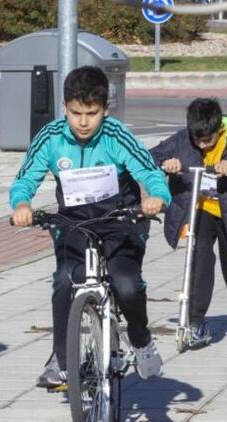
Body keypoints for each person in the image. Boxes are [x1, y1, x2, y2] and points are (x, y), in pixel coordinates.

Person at [10, 66, 171, 389]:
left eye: (92, 114)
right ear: (65, 108)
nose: (83, 122)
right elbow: (26, 178)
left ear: (105, 110)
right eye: (75, 113)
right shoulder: (52, 136)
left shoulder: (117, 136)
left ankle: (140, 340)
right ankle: (61, 358)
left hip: (121, 220)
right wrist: (22, 205)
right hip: (74, 222)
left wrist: (157, 197)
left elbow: (151, 172)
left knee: (126, 284)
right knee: (65, 281)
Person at [150, 98, 227, 347]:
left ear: (220, 129)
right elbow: (149, 157)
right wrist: (166, 164)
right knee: (199, 263)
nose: (203, 145)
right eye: (198, 140)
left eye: (208, 140)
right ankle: (195, 321)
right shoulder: (182, 140)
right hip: (199, 210)